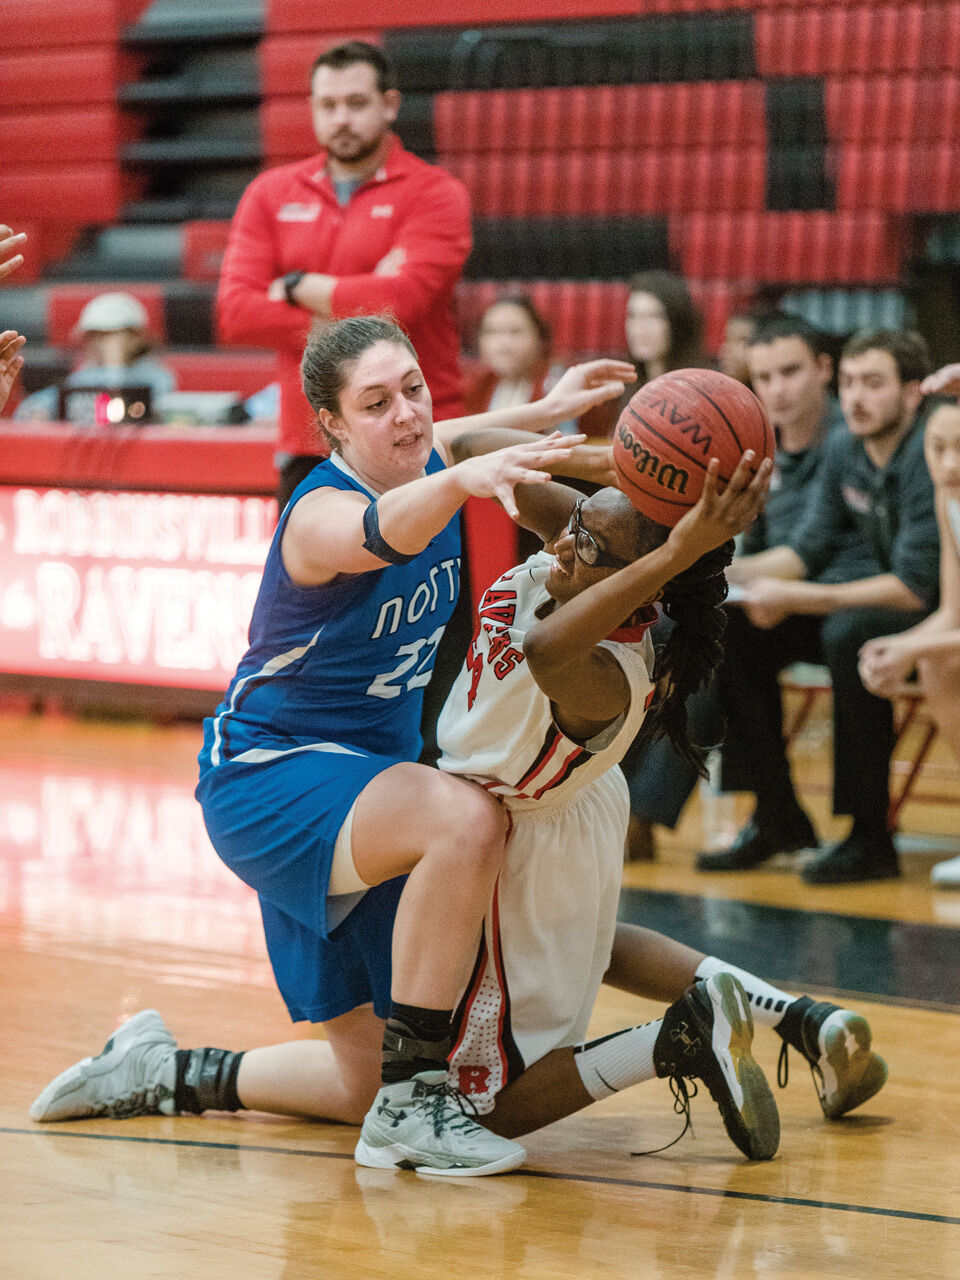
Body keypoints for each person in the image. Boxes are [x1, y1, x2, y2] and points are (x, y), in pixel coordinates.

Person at [30, 453, 888, 1152]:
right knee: (593, 951)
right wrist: (642, 469)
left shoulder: (601, 669)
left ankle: (670, 1041)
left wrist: (674, 549)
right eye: (581, 521)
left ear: (637, 582)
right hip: (544, 822)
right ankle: (797, 1017)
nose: (564, 540)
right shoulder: (591, 551)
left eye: (591, 543)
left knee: (484, 1102)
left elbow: (550, 642)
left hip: (512, 835)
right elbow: (523, 487)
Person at [699, 329, 940, 884]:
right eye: (851, 383)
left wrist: (798, 598)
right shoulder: (843, 446)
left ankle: (869, 837)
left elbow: (912, 587)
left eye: (873, 384)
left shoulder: (931, 449)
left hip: (931, 612)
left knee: (849, 634)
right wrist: (709, 573)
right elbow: (808, 550)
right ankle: (777, 816)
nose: (856, 398)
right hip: (872, 603)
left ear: (911, 394)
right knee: (733, 627)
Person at [216, 40, 472, 512]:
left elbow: (404, 303)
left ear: (389, 104)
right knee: (311, 587)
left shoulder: (435, 193)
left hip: (414, 442)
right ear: (312, 108)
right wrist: (366, 297)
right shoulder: (269, 194)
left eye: (356, 103)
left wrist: (296, 287)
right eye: (328, 105)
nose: (342, 119)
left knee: (428, 588)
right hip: (309, 443)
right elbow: (235, 313)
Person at [623, 314, 847, 853]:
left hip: (842, 600)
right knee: (665, 629)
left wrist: (689, 564)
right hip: (782, 604)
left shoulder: (843, 440)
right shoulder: (763, 443)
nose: (777, 389)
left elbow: (809, 553)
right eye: (764, 378)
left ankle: (643, 814)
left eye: (790, 372)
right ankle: (616, 798)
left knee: (711, 636)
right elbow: (759, 546)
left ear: (823, 370)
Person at [859, 392, 960, 886]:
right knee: (940, 663)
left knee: (935, 659)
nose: (949, 464)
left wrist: (913, 648)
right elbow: (951, 613)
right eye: (937, 447)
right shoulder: (949, 500)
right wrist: (893, 651)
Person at [14, 291, 175, 422]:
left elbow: (123, 414)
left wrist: (114, 364)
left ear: (136, 339)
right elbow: (32, 408)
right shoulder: (84, 376)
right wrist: (38, 413)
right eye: (93, 336)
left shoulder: (156, 377)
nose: (99, 343)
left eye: (109, 335)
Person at [623, 270, 709, 391]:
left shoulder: (703, 387)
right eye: (632, 315)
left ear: (676, 322)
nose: (639, 327)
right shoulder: (620, 387)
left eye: (653, 316)